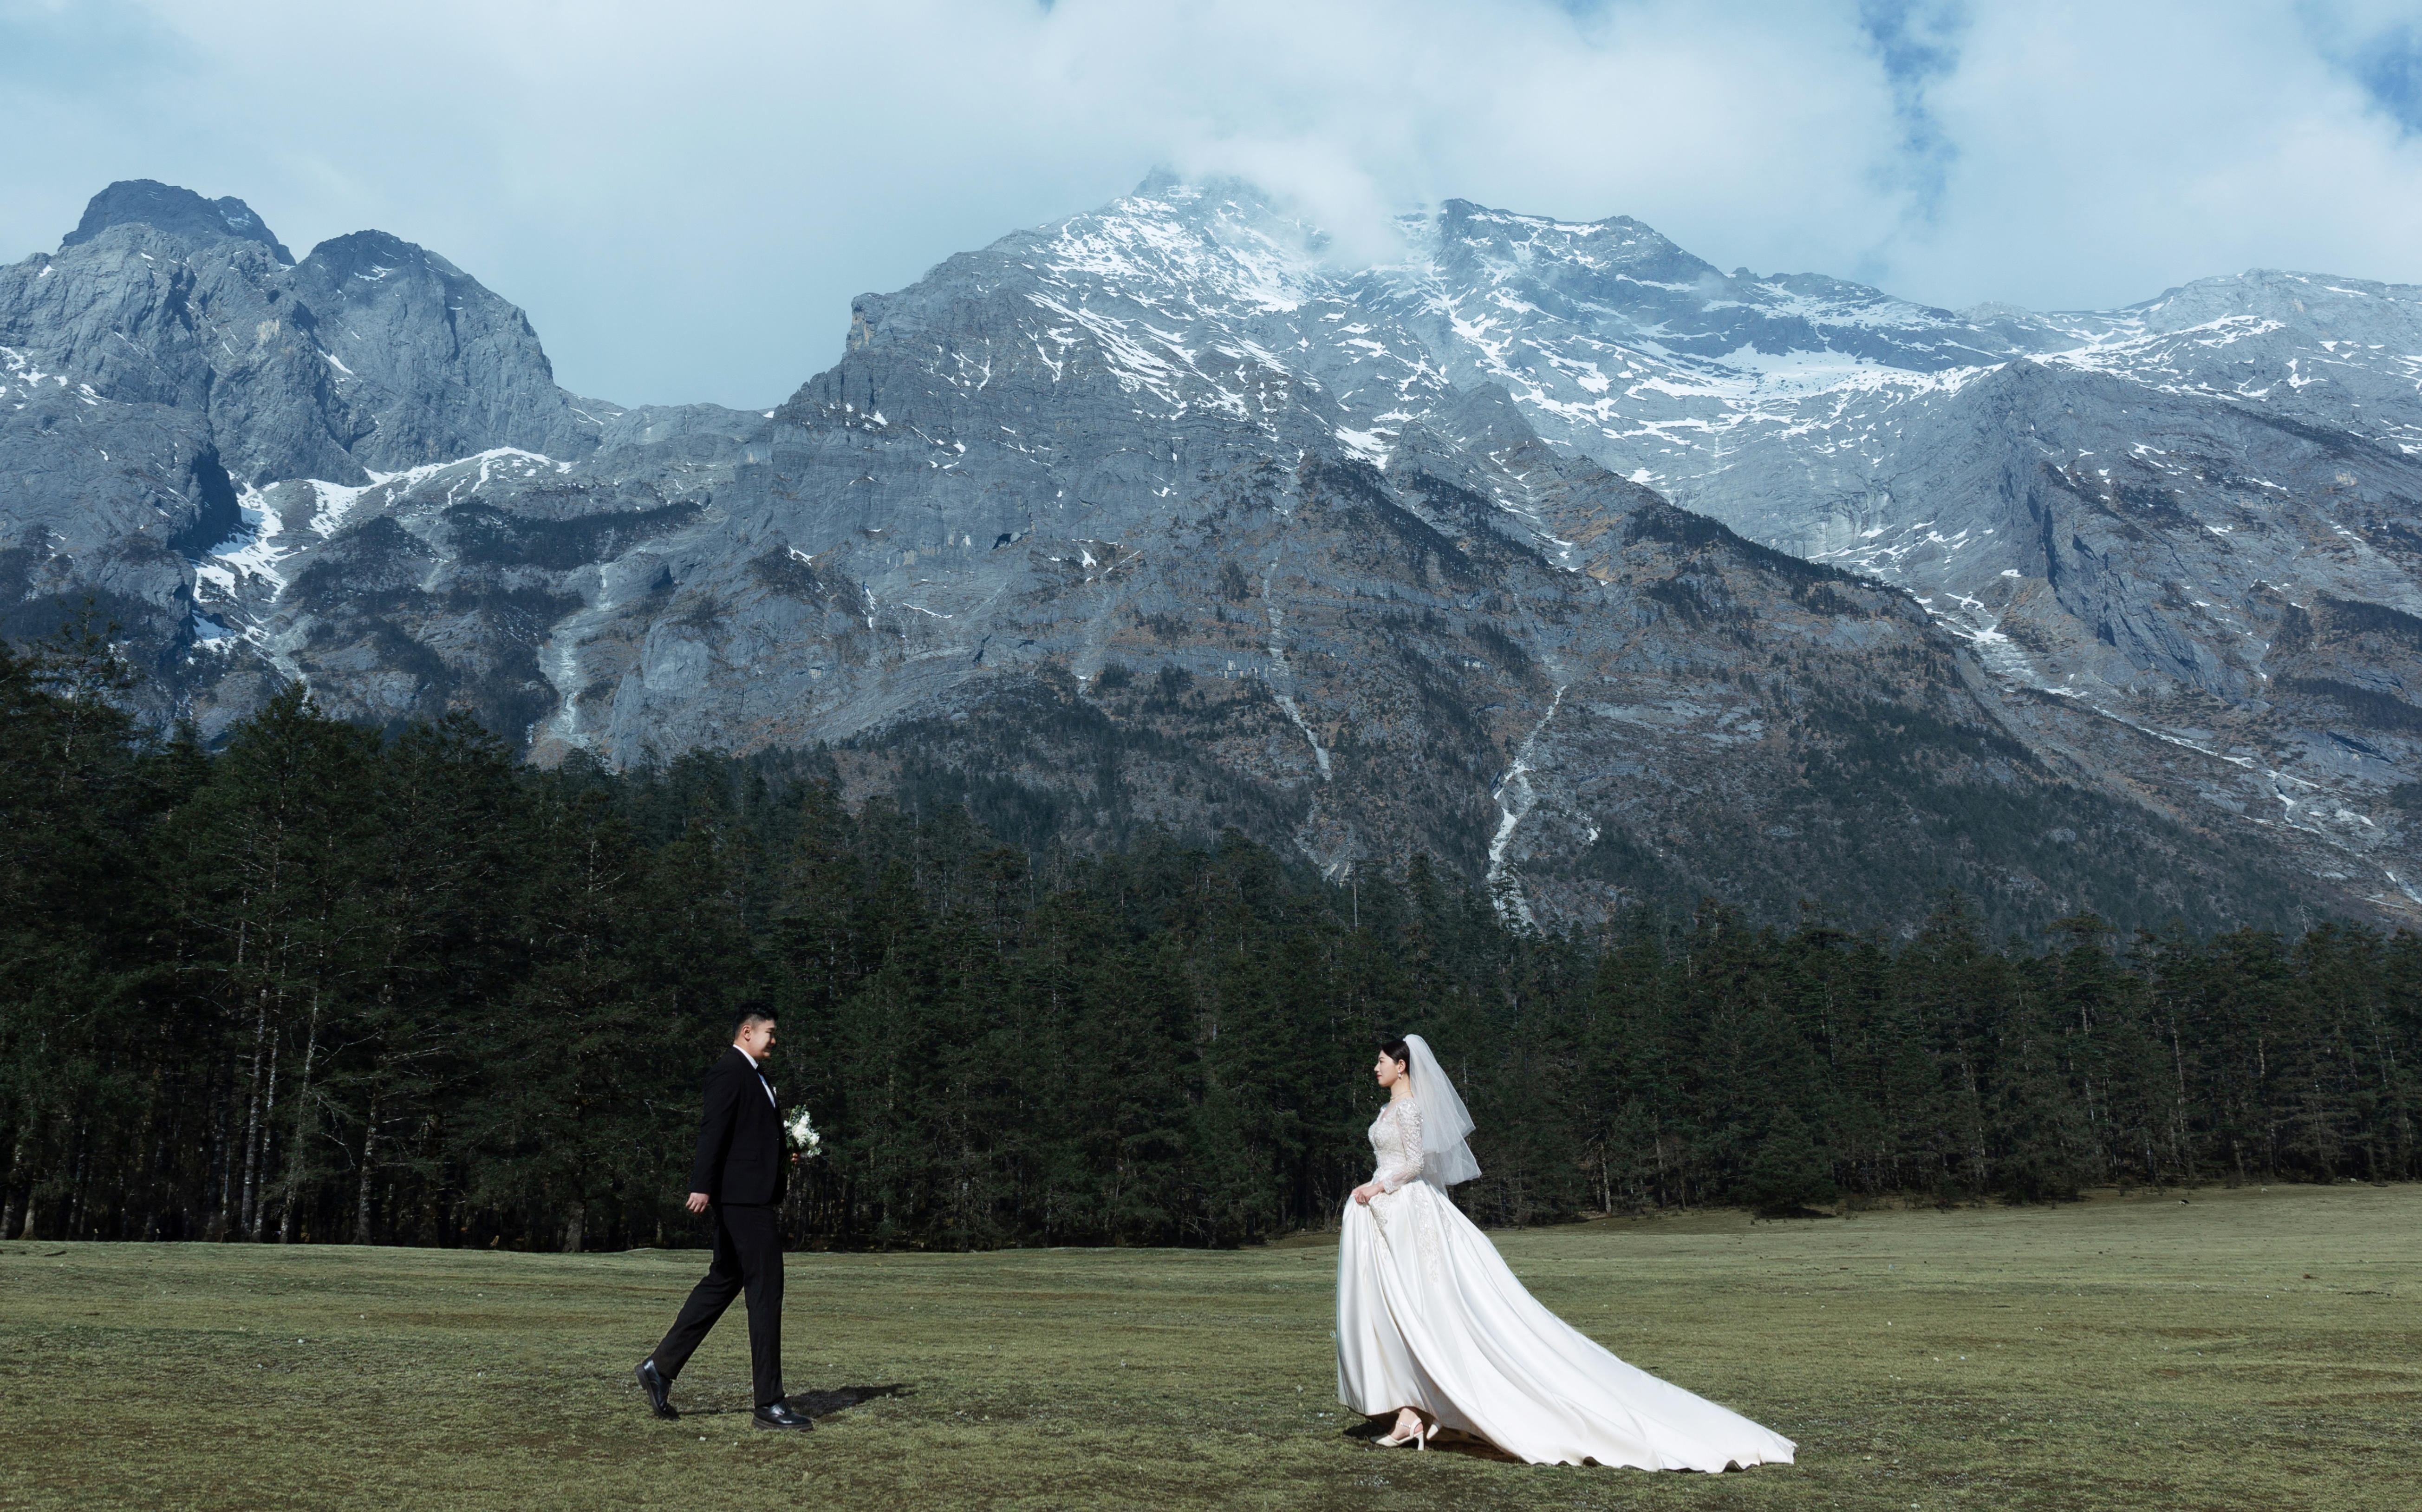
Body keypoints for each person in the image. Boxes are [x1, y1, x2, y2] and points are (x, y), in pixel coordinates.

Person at [1335, 1035, 1795, 1470]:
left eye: (1381, 1061)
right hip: (1386, 1212)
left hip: (1404, 1205)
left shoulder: (1410, 1109)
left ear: (1401, 1066)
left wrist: (1379, 1185)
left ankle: (1421, 1409)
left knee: (1430, 1304)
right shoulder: (1388, 1107)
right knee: (1397, 1306)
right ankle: (1409, 1410)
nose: (1374, 1067)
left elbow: (1415, 1163)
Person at [634, 1007, 813, 1430]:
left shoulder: (757, 1076)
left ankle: (659, 1368)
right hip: (743, 1203)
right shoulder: (729, 1071)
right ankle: (769, 1404)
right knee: (766, 1292)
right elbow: (712, 1129)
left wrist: (783, 1153)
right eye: (770, 1034)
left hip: (751, 1195)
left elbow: (748, 1135)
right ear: (747, 1032)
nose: (774, 1042)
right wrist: (702, 1184)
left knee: (723, 1281)